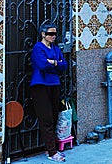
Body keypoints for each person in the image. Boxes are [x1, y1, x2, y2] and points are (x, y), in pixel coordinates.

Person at [30, 21, 68, 162]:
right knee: (46, 119)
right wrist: (54, 64)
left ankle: (49, 148)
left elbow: (64, 65)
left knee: (53, 117)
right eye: (50, 34)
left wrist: (54, 62)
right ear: (43, 34)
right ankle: (52, 152)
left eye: (54, 34)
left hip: (54, 84)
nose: (53, 36)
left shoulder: (56, 49)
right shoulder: (37, 48)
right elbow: (42, 65)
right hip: (40, 85)